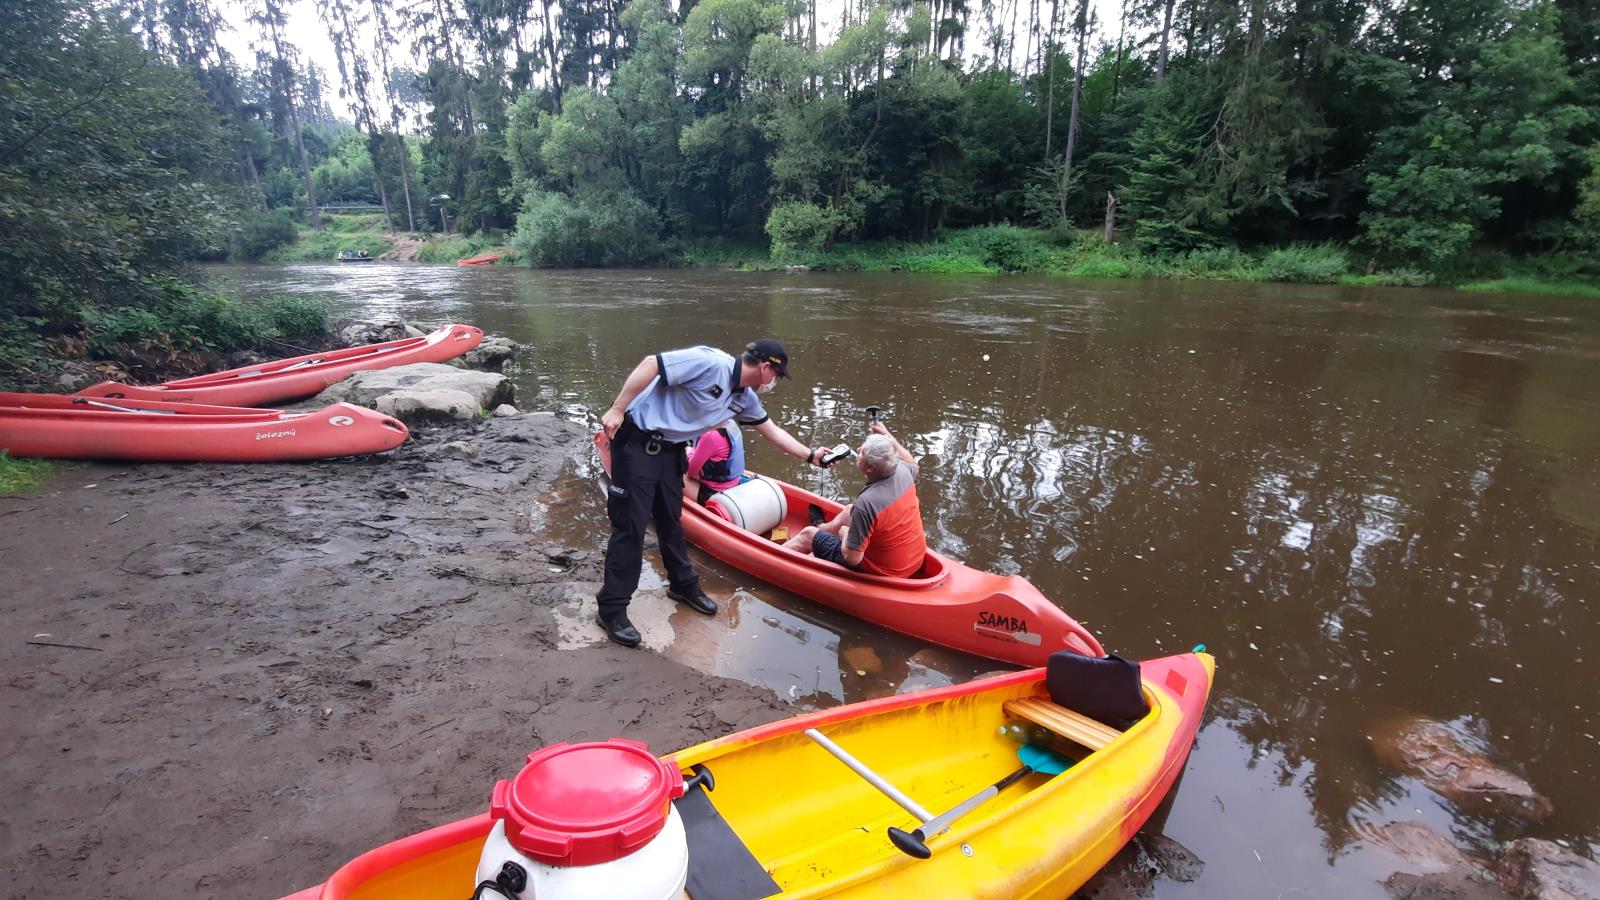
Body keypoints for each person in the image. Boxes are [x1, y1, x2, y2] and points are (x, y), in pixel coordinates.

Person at [597, 339, 836, 647]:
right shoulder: (710, 363)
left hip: (670, 453)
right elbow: (651, 363)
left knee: (672, 521)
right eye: (777, 376)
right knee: (630, 527)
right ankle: (612, 608)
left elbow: (772, 430)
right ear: (765, 368)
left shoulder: (744, 399)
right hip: (637, 441)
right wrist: (617, 409)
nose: (775, 382)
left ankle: (682, 585)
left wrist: (811, 455)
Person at [783, 420, 926, 578]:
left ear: (870, 468)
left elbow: (852, 558)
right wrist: (888, 438)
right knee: (849, 511)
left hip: (882, 570)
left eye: (862, 453)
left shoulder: (867, 503)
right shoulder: (904, 470)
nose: (857, 450)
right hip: (913, 560)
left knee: (808, 535)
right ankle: (822, 528)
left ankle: (773, 558)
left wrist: (844, 533)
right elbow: (914, 464)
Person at [685, 419, 746, 505]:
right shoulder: (731, 423)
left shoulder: (710, 435)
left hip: (714, 492)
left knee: (671, 472)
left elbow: (691, 472)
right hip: (734, 484)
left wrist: (689, 452)